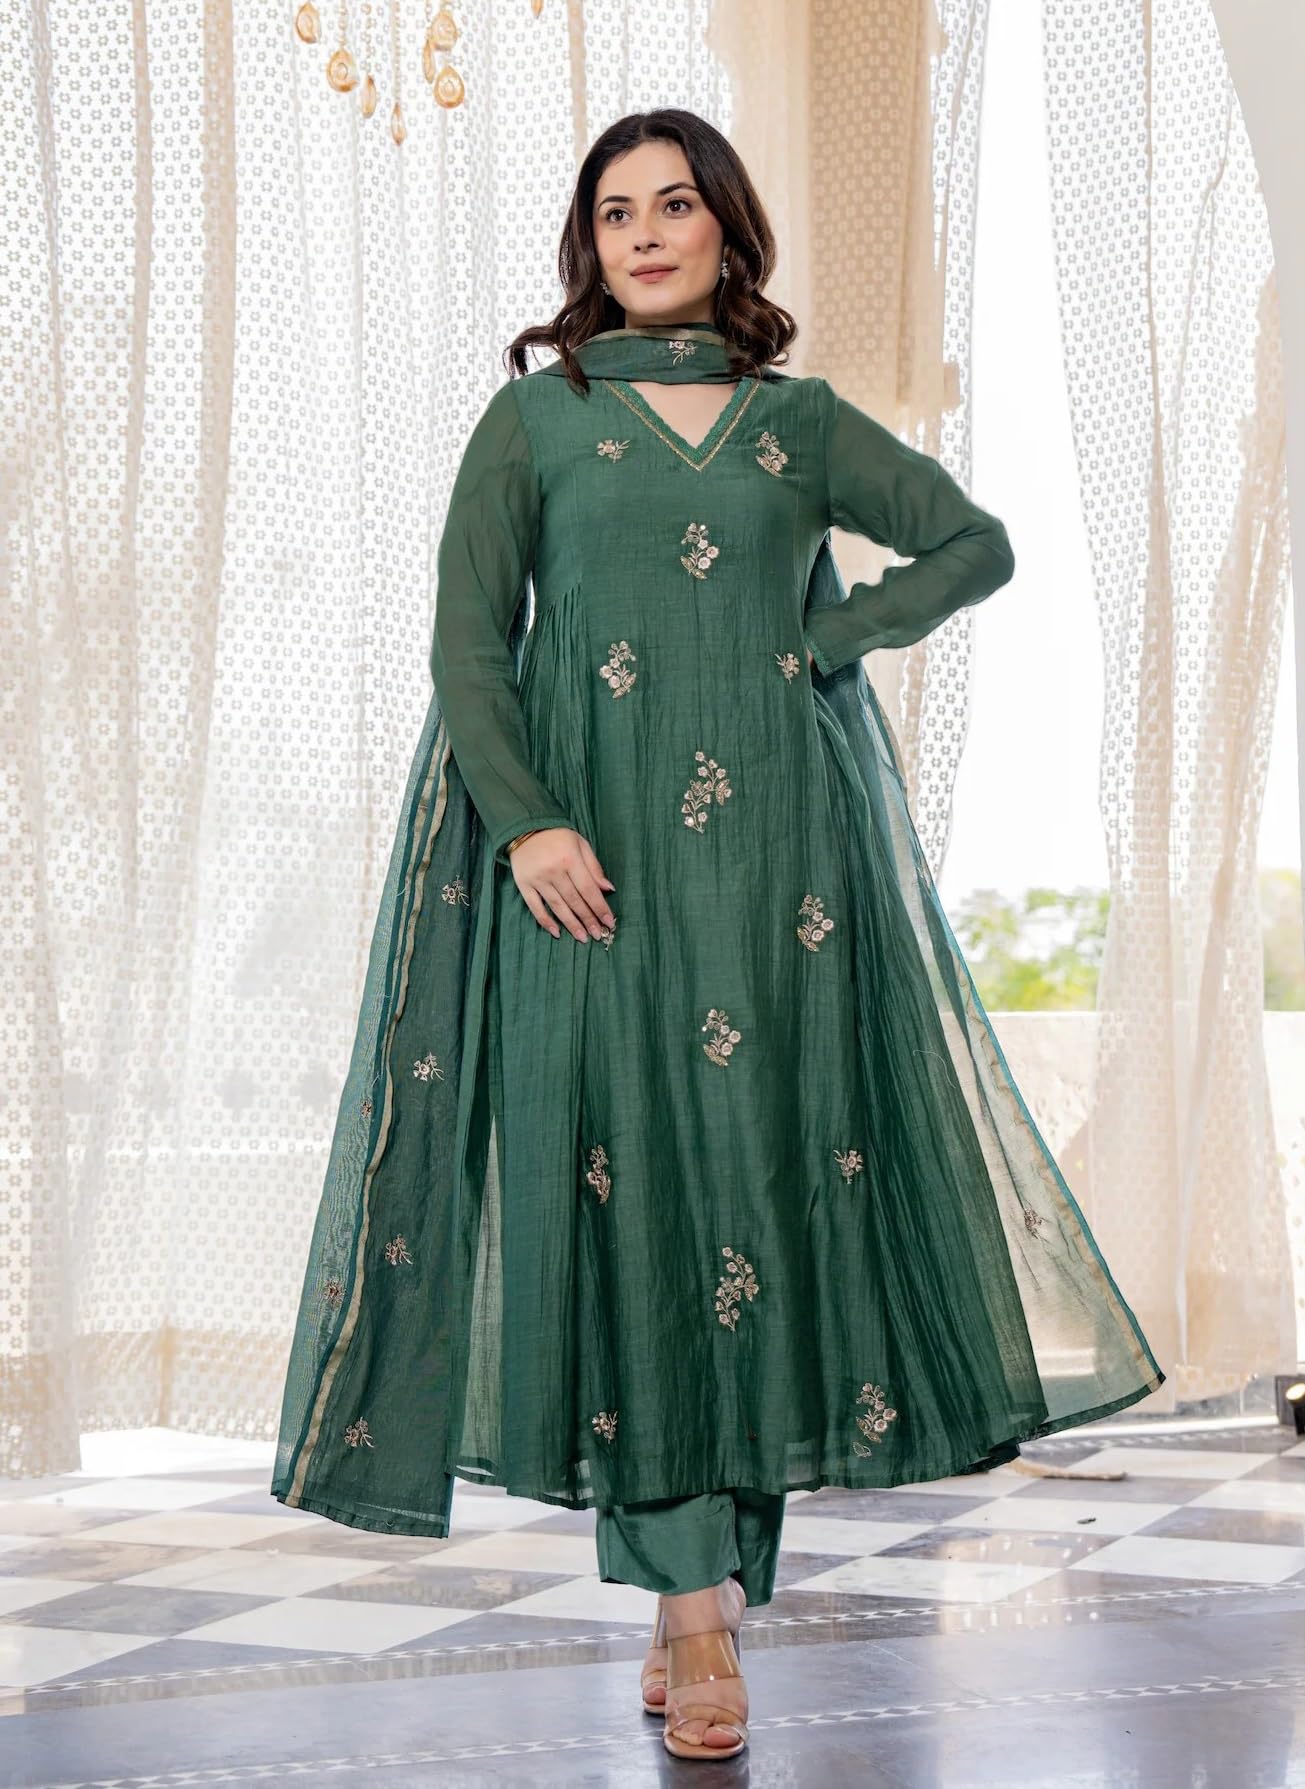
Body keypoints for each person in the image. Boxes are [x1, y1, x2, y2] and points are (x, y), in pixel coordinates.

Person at [272, 108, 1165, 1763]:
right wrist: (528, 820)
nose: (643, 231)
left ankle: (704, 1587)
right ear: (589, 246)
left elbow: (975, 542)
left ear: (725, 230)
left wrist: (830, 634)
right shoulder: (535, 422)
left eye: (672, 203)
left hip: (778, 875)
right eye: (614, 211)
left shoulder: (796, 425)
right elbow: (469, 644)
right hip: (587, 873)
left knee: (759, 1195)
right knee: (630, 1198)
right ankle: (693, 1607)